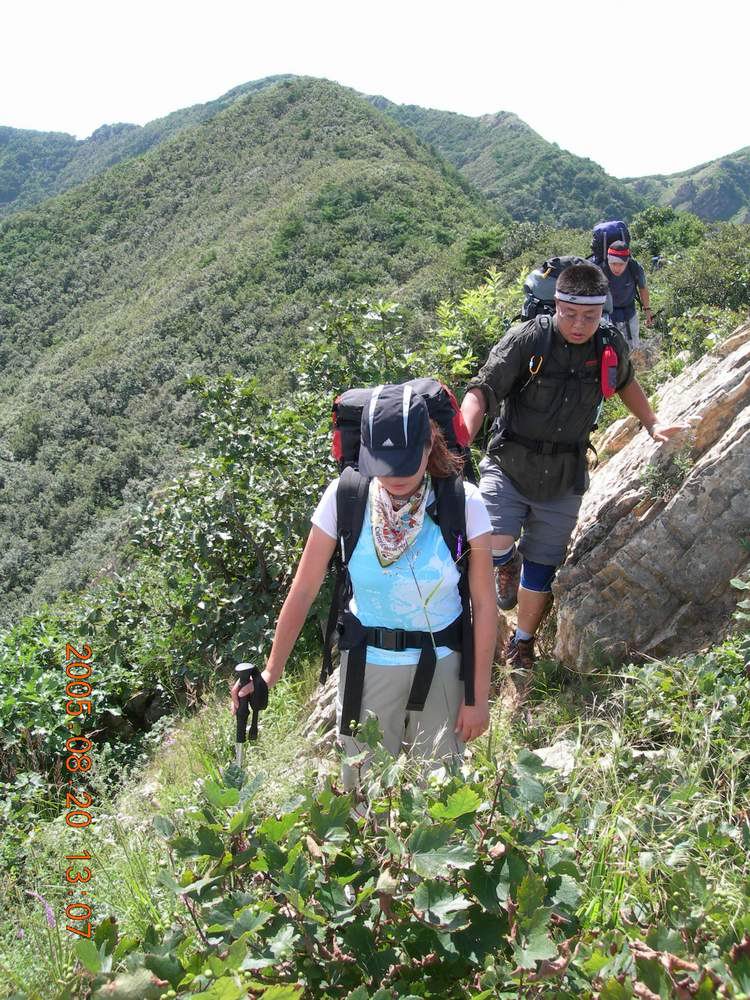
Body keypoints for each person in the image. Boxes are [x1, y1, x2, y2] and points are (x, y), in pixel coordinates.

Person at [231, 383, 496, 787]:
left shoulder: (465, 503)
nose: (395, 477)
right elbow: (303, 590)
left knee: (441, 795)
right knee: (361, 795)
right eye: (384, 465)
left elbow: (485, 604)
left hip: (443, 665)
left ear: (429, 445)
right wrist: (270, 673)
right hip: (367, 666)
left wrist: (477, 698)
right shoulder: (346, 498)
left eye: (405, 463)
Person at [459, 262, 688, 687]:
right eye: (570, 314)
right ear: (556, 305)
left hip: (565, 474)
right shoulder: (529, 339)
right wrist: (462, 435)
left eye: (590, 315)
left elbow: (626, 382)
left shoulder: (608, 342)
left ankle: (522, 642)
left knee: (542, 568)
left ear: (602, 311)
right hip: (510, 463)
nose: (579, 324)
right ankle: (506, 562)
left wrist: (652, 422)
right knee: (492, 539)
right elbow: (482, 389)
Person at [601, 240, 654, 348]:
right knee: (610, 348)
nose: (617, 268)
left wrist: (647, 310)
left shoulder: (634, 268)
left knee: (633, 347)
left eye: (621, 264)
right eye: (613, 264)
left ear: (627, 261)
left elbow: (643, 288)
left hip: (629, 312)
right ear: (608, 260)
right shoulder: (601, 270)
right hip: (607, 315)